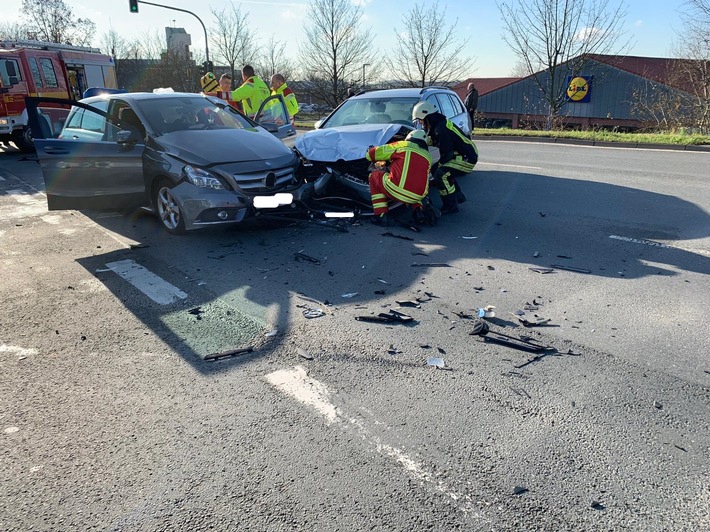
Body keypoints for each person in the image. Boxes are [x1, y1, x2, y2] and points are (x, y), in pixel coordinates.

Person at [412, 100, 478, 215]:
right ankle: (458, 196)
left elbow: (447, 154)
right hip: (462, 155)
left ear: (427, 117)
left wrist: (439, 165)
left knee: (441, 174)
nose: (421, 123)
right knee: (436, 169)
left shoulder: (440, 129)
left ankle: (450, 205)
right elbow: (435, 140)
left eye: (421, 120)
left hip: (466, 158)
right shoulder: (439, 124)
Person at [365, 129, 432, 225]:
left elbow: (372, 155)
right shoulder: (428, 156)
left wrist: (370, 151)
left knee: (374, 176)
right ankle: (418, 210)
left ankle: (381, 214)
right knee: (414, 182)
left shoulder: (403, 145)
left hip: (397, 190)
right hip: (418, 196)